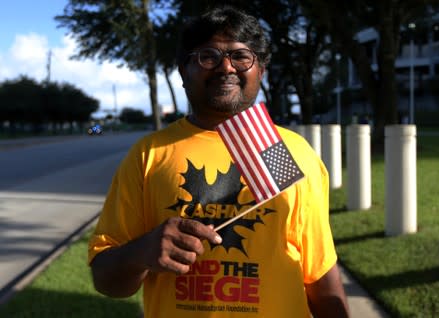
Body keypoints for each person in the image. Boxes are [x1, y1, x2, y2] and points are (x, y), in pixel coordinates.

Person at [88, 5, 349, 318]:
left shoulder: (288, 152)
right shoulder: (149, 154)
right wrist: (142, 252)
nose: (226, 67)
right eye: (208, 56)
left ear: (260, 71)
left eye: (241, 56)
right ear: (184, 71)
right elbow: (106, 280)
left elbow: (320, 274)